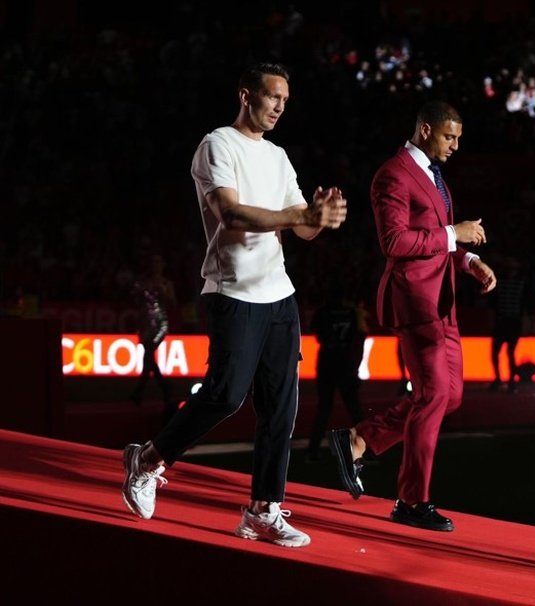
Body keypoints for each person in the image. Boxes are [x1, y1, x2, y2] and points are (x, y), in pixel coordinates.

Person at [120, 62, 348, 548]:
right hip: (232, 291)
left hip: (279, 293)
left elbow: (301, 228)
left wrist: (319, 220)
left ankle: (263, 510)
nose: (280, 106)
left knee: (281, 408)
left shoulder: (279, 156)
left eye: (286, 100)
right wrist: (297, 215)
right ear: (246, 94)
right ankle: (149, 459)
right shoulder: (216, 145)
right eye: (272, 97)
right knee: (225, 394)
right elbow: (231, 213)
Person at [327, 100, 496, 532]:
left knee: (449, 397)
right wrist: (452, 234)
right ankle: (411, 500)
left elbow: (441, 242)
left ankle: (360, 440)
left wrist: (468, 260)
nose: (456, 145)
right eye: (449, 136)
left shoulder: (435, 177)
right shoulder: (393, 174)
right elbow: (395, 242)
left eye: (458, 137)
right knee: (435, 396)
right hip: (416, 303)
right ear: (424, 130)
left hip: (445, 301)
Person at [305, 276, 367, 463]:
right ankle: (367, 449)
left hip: (327, 364)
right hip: (346, 364)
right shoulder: (351, 313)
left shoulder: (322, 313)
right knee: (355, 410)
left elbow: (314, 331)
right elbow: (359, 337)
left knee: (324, 408)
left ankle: (313, 451)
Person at [129, 253, 177, 409]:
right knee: (149, 357)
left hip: (160, 323)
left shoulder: (166, 283)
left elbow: (173, 303)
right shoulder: (143, 283)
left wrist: (164, 293)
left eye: (158, 262)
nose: (155, 265)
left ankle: (139, 390)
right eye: (153, 262)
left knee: (148, 353)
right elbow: (134, 300)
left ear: (162, 265)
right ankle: (165, 389)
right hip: (144, 324)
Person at [489, 255, 526, 393]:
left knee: (510, 353)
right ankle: (499, 379)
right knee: (495, 352)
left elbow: (524, 304)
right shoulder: (501, 280)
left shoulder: (521, 282)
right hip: (502, 321)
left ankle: (511, 381)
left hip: (513, 321)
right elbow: (494, 303)